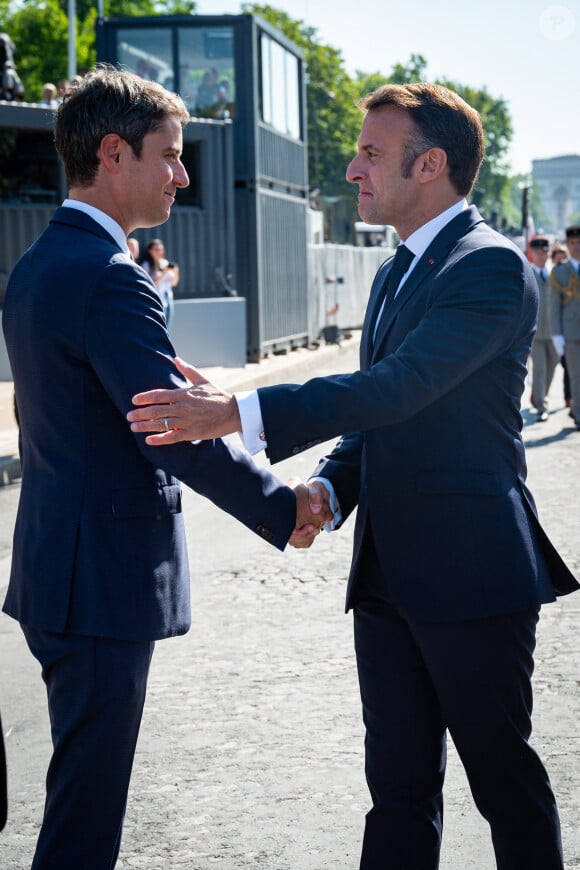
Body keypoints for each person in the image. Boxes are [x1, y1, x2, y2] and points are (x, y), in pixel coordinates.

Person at [127, 82, 579, 869]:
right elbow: (381, 420)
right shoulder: (395, 270)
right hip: (386, 578)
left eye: (371, 151)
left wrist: (236, 411)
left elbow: (396, 388)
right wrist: (328, 493)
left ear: (430, 164)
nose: (352, 167)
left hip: (473, 574)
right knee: (398, 791)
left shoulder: (492, 269)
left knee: (503, 783)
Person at [2, 65, 324, 870]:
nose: (183, 175)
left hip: (57, 570)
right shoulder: (112, 277)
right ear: (114, 153)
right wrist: (282, 508)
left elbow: (76, 405)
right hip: (101, 583)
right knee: (84, 816)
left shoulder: (41, 263)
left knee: (79, 792)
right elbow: (168, 433)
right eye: (171, 155)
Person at [550, 225, 580, 429]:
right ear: (567, 245)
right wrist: (557, 335)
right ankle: (578, 413)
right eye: (572, 243)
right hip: (571, 333)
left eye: (579, 243)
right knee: (576, 375)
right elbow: (554, 306)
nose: (576, 246)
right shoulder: (560, 272)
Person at [529, 236, 558, 421]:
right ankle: (542, 405)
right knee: (539, 368)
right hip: (535, 331)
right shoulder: (527, 273)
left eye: (544, 252)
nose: (541, 255)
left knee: (552, 366)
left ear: (548, 252)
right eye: (537, 252)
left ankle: (539, 394)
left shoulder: (555, 274)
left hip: (555, 331)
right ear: (532, 254)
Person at [140, 237, 178, 329]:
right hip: (156, 300)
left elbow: (174, 283)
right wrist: (164, 273)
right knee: (158, 328)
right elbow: (149, 285)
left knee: (167, 327)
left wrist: (176, 271)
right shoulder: (146, 265)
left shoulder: (165, 263)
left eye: (161, 249)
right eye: (156, 249)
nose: (159, 252)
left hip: (168, 299)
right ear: (150, 251)